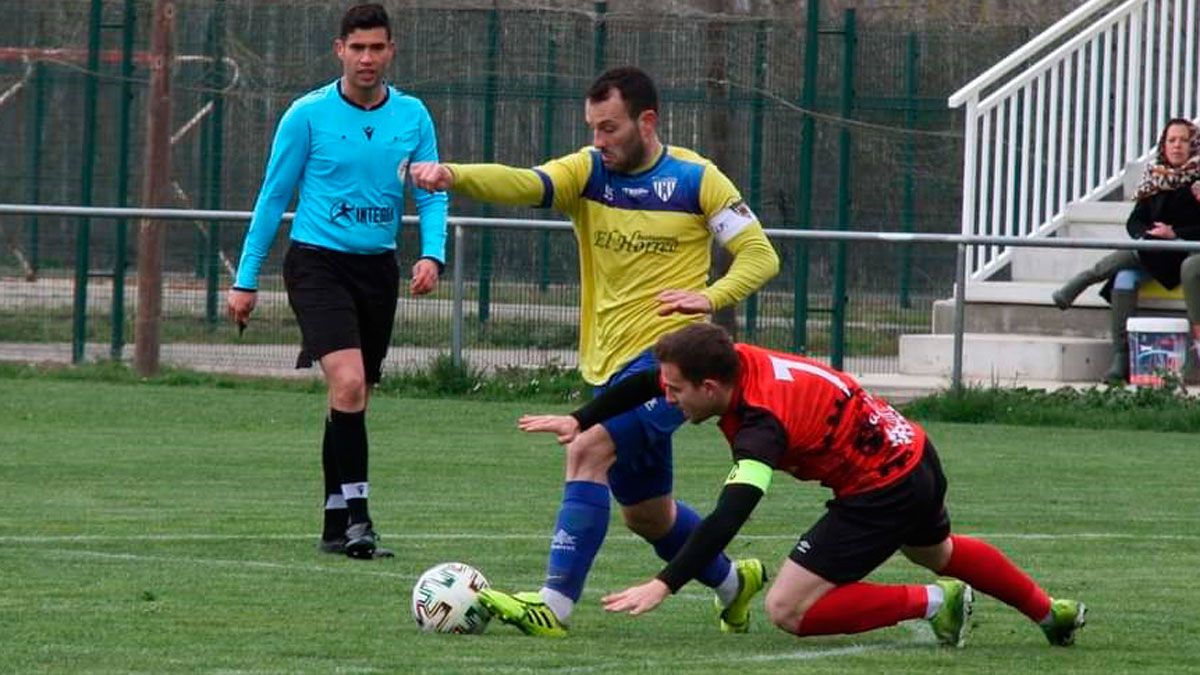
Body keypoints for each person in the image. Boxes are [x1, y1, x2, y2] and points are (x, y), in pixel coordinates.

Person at [410, 66, 780, 636]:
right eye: (593, 128)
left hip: (668, 367)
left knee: (586, 450)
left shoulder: (696, 179)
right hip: (607, 366)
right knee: (648, 516)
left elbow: (760, 255)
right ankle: (735, 583)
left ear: (646, 121)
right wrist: (453, 175)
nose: (599, 140)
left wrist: (707, 296)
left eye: (610, 128)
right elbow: (524, 181)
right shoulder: (588, 173)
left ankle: (552, 606)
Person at [520, 322, 1087, 648]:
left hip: (880, 486)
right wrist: (583, 418)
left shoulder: (762, 426)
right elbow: (651, 377)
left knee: (789, 609)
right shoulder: (732, 360)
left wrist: (665, 583)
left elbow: (729, 515)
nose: (667, 399)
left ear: (711, 387)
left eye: (677, 393)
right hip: (913, 450)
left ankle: (936, 603)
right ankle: (1049, 613)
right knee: (936, 549)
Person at [227, 3, 448, 560]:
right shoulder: (307, 114)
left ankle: (332, 521)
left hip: (377, 269)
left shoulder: (413, 116)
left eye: (377, 47)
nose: (367, 58)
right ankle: (359, 519)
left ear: (391, 50)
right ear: (339, 51)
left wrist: (432, 254)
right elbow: (273, 196)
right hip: (316, 262)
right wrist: (245, 279)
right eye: (358, 48)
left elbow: (431, 190)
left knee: (352, 396)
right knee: (348, 383)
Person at [1052, 118, 1200, 382]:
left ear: (1194, 145)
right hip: (1154, 252)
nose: (1177, 146)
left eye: (1184, 141)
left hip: (1185, 253)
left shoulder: (1198, 181)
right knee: (1123, 277)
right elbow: (1135, 220)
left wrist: (1175, 233)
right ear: (1163, 145)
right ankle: (1121, 357)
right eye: (1171, 140)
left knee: (1140, 256)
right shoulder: (1155, 178)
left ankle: (1085, 278)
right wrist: (1145, 234)